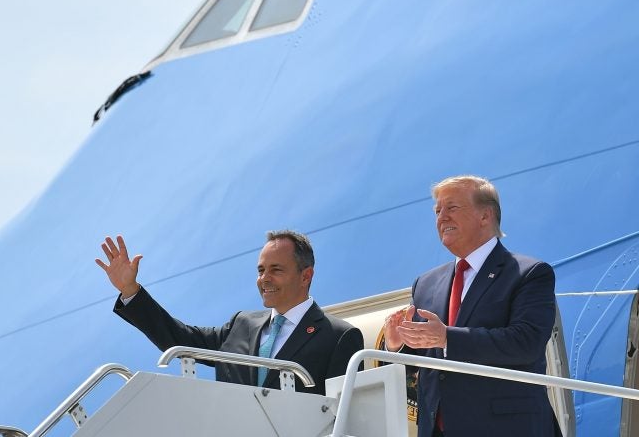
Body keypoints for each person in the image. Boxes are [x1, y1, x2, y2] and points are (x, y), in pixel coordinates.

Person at [382, 175, 562, 437]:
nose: (441, 217)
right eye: (437, 211)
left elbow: (526, 343)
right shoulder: (425, 283)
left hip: (507, 428)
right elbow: (422, 363)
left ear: (485, 216)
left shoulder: (529, 273)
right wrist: (398, 346)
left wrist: (447, 337)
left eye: (452, 208)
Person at [96, 229, 364, 395]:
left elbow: (346, 415)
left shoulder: (339, 336)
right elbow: (179, 339)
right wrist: (131, 291)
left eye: (276, 270)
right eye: (261, 270)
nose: (264, 279)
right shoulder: (242, 325)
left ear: (306, 276)